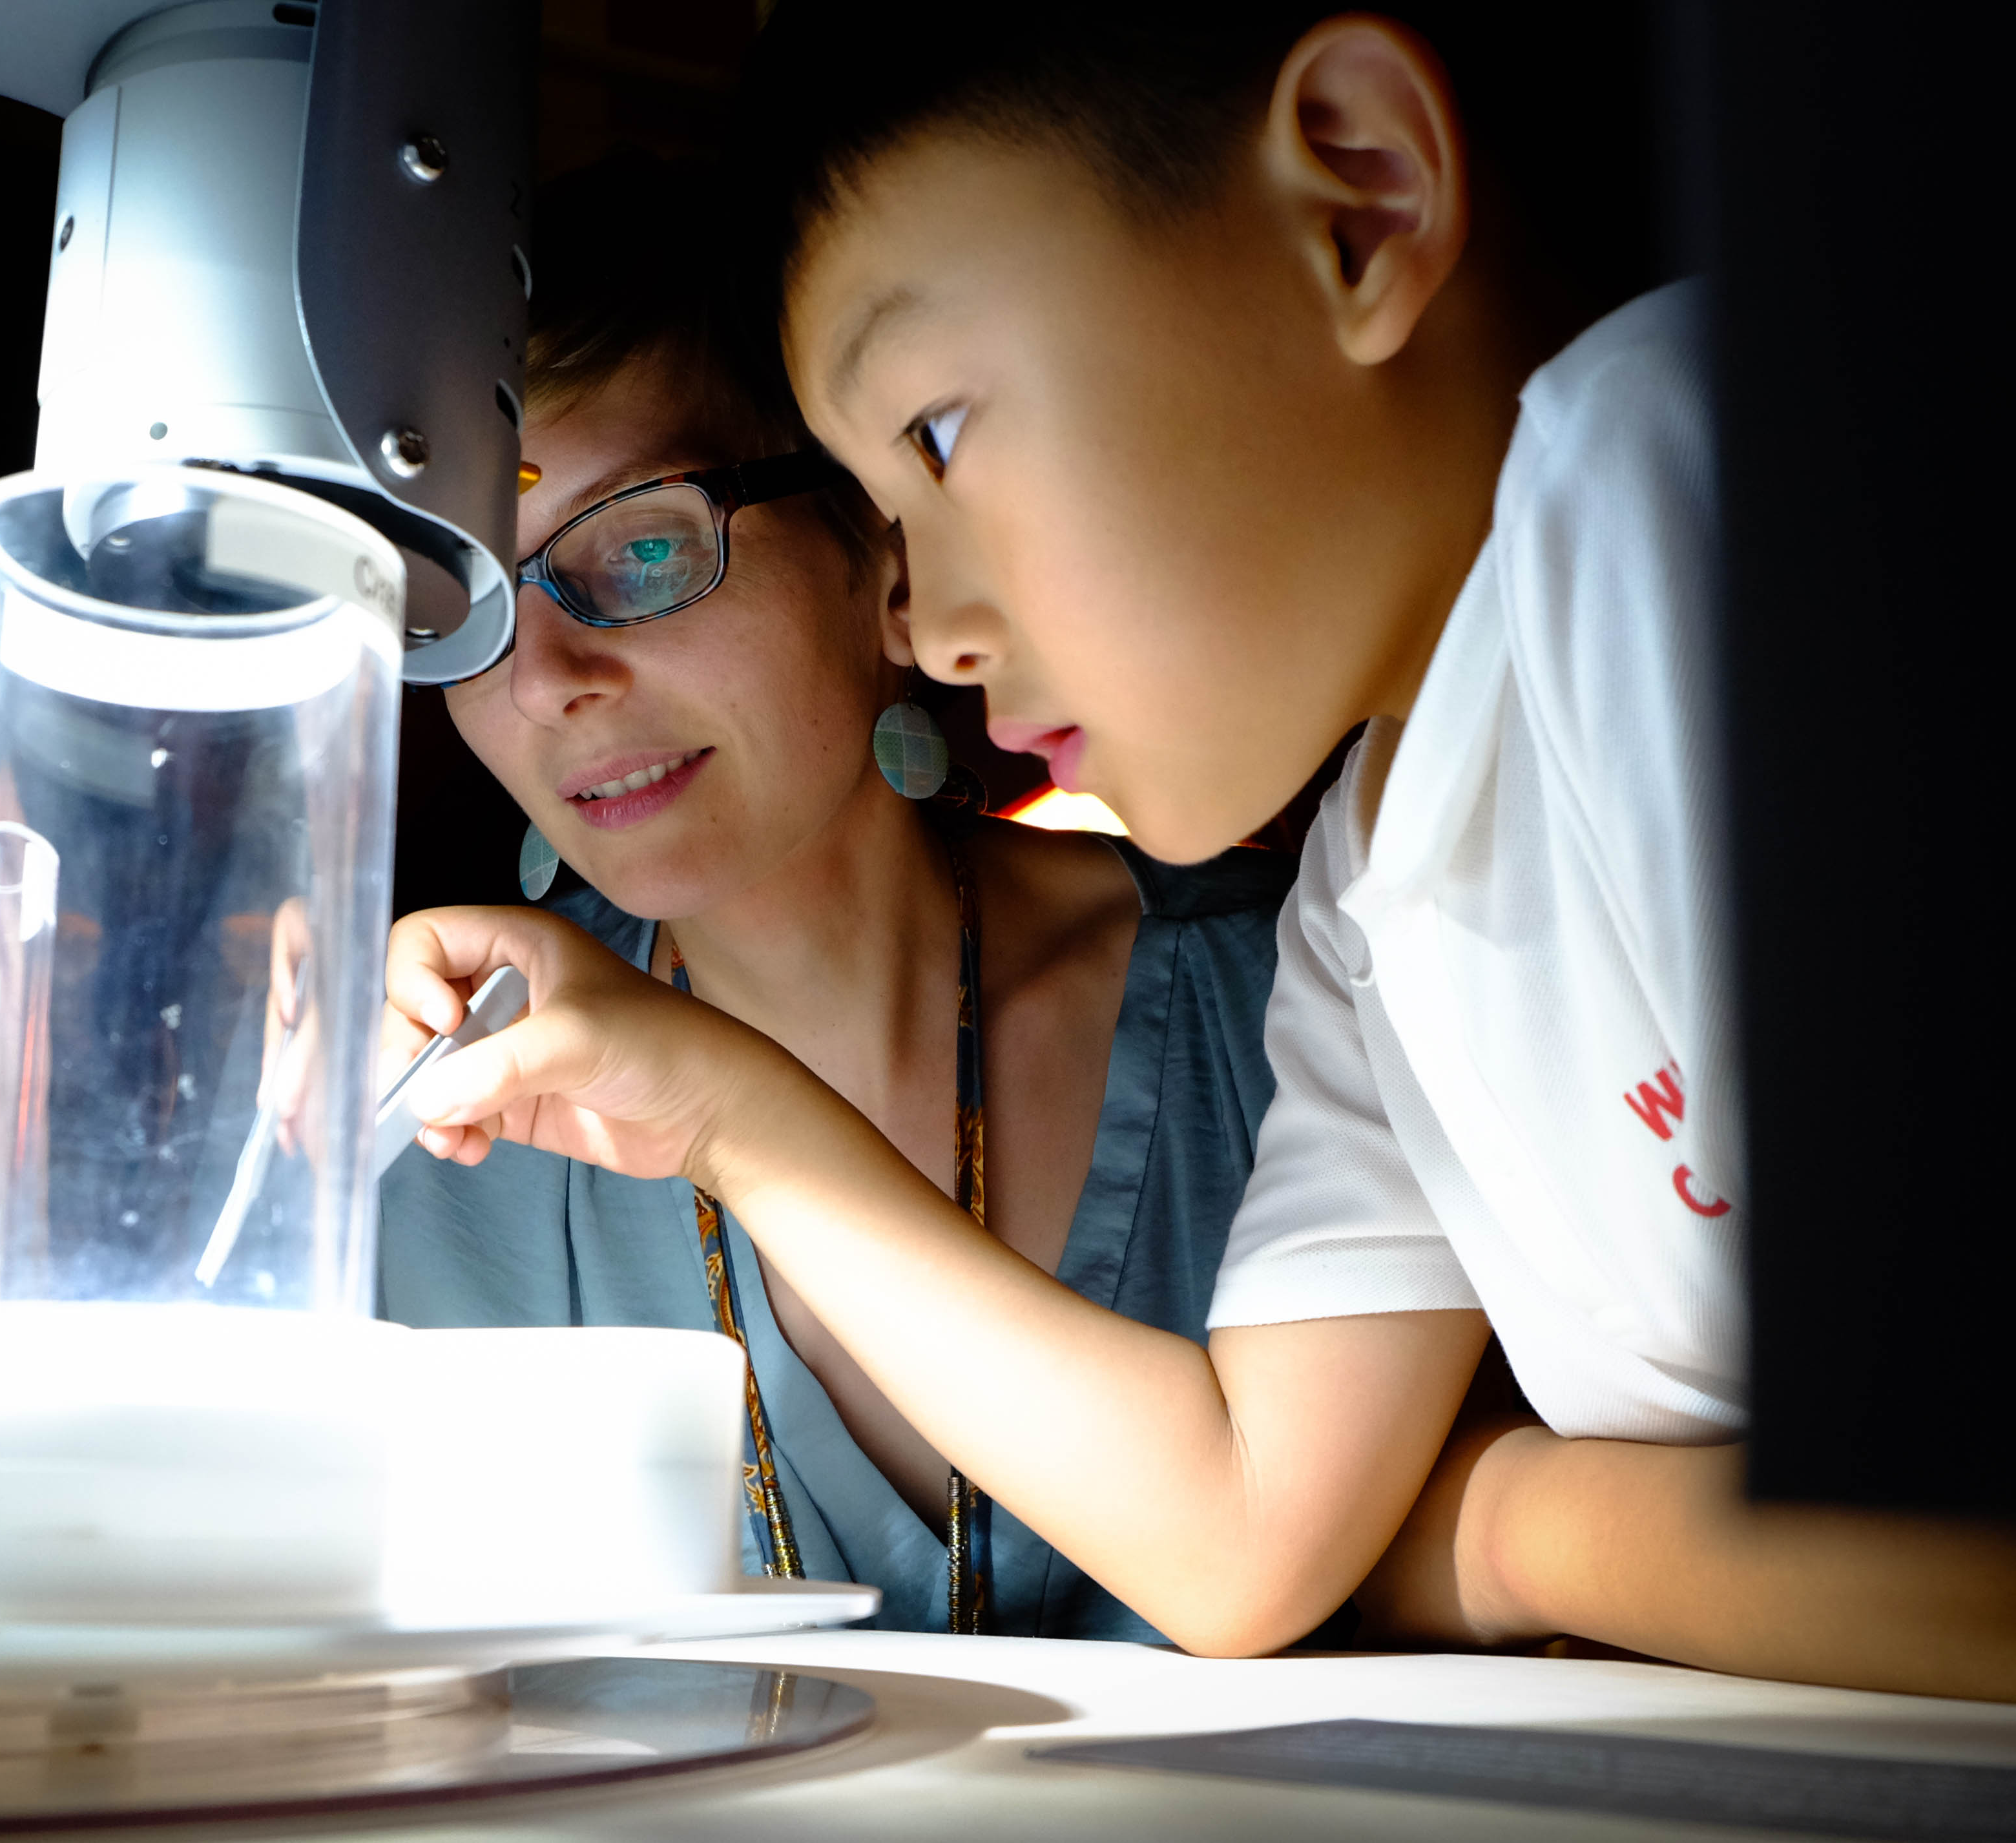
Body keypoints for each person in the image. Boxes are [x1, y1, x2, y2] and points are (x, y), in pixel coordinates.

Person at [386, 9, 2016, 1694]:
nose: (931, 614)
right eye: (468, 610)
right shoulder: (1364, 920)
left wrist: (1486, 1517)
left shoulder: (1669, 492)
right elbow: (1242, 1528)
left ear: (1360, 206)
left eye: (936, 438)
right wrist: (722, 1108)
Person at [377, 152, 1301, 1639]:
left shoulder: (1276, 1005)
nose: (543, 686)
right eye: (470, 607)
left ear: (881, 547)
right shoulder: (443, 1133)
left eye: (645, 546)